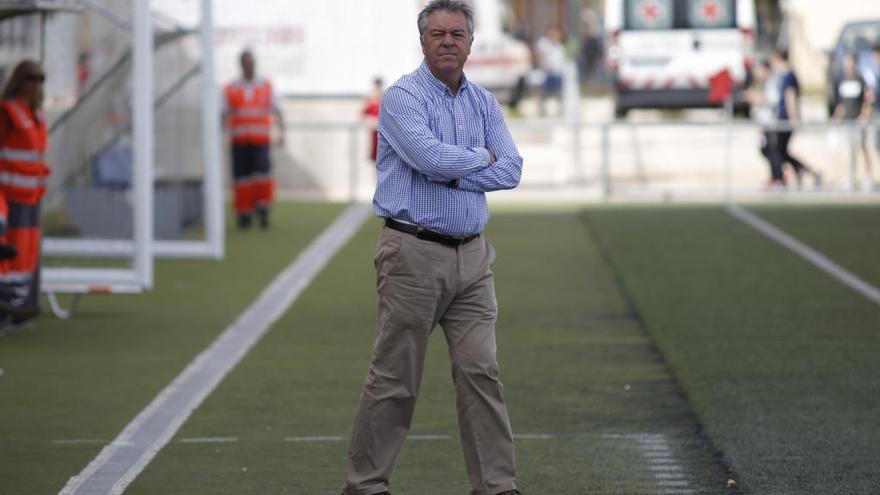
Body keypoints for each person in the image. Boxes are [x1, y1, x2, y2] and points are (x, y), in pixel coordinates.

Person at [341, 2, 524, 494]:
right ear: (422, 41)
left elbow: (510, 169)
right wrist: (477, 160)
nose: (448, 41)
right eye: (438, 33)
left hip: (474, 258)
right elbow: (428, 159)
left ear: (471, 42)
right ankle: (365, 486)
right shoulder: (402, 98)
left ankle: (497, 487)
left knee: (481, 373)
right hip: (413, 255)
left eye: (458, 33)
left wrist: (456, 166)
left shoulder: (483, 102)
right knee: (395, 379)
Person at [0, 60, 51, 332]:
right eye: (32, 78)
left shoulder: (35, 114)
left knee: (26, 256)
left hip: (31, 196)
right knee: (10, 256)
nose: (36, 84)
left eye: (41, 79)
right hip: (9, 196)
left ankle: (20, 305)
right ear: (19, 79)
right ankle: (6, 306)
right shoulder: (8, 111)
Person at [222, 49, 285, 229]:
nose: (249, 67)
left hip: (260, 140)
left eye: (251, 63)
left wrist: (281, 132)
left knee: (262, 176)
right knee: (242, 179)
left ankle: (263, 211)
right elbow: (223, 113)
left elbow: (276, 109)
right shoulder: (231, 88)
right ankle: (244, 214)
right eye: (246, 63)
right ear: (241, 65)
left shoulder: (265, 85)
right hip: (239, 141)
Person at [767, 49, 821, 188]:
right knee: (781, 150)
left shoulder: (789, 76)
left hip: (785, 118)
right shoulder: (782, 75)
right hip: (781, 117)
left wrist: (793, 117)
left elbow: (790, 96)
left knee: (778, 150)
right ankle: (803, 170)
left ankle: (785, 176)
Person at [831, 53, 875, 190]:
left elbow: (868, 99)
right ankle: (851, 176)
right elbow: (842, 103)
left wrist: (863, 115)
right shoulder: (843, 80)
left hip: (858, 121)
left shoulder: (861, 79)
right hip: (847, 121)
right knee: (850, 149)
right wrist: (836, 116)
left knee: (862, 147)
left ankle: (868, 176)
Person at [535, 27, 566, 116]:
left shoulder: (559, 45)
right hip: (547, 72)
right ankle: (542, 110)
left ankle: (560, 109)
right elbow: (538, 53)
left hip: (557, 72)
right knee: (545, 93)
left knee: (559, 93)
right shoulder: (544, 44)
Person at [361, 77, 384, 163]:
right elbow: (363, 116)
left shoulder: (384, 99)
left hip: (383, 137)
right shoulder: (370, 101)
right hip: (374, 136)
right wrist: (372, 122)